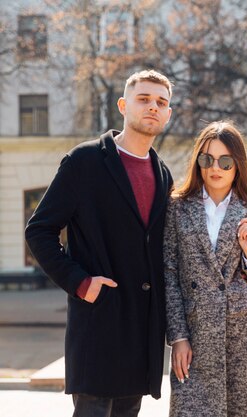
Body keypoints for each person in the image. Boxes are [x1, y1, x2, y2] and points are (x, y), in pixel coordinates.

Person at [25, 70, 174, 416]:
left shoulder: (163, 173)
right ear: (123, 105)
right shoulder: (85, 161)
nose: (153, 107)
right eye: (144, 99)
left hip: (141, 335)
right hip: (99, 328)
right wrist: (80, 283)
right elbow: (40, 230)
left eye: (161, 102)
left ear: (168, 114)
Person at [164, 121, 247, 417]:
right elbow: (170, 274)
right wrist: (177, 337)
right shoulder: (177, 208)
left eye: (225, 161)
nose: (215, 168)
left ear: (237, 165)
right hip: (196, 334)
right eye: (207, 159)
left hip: (246, 336)